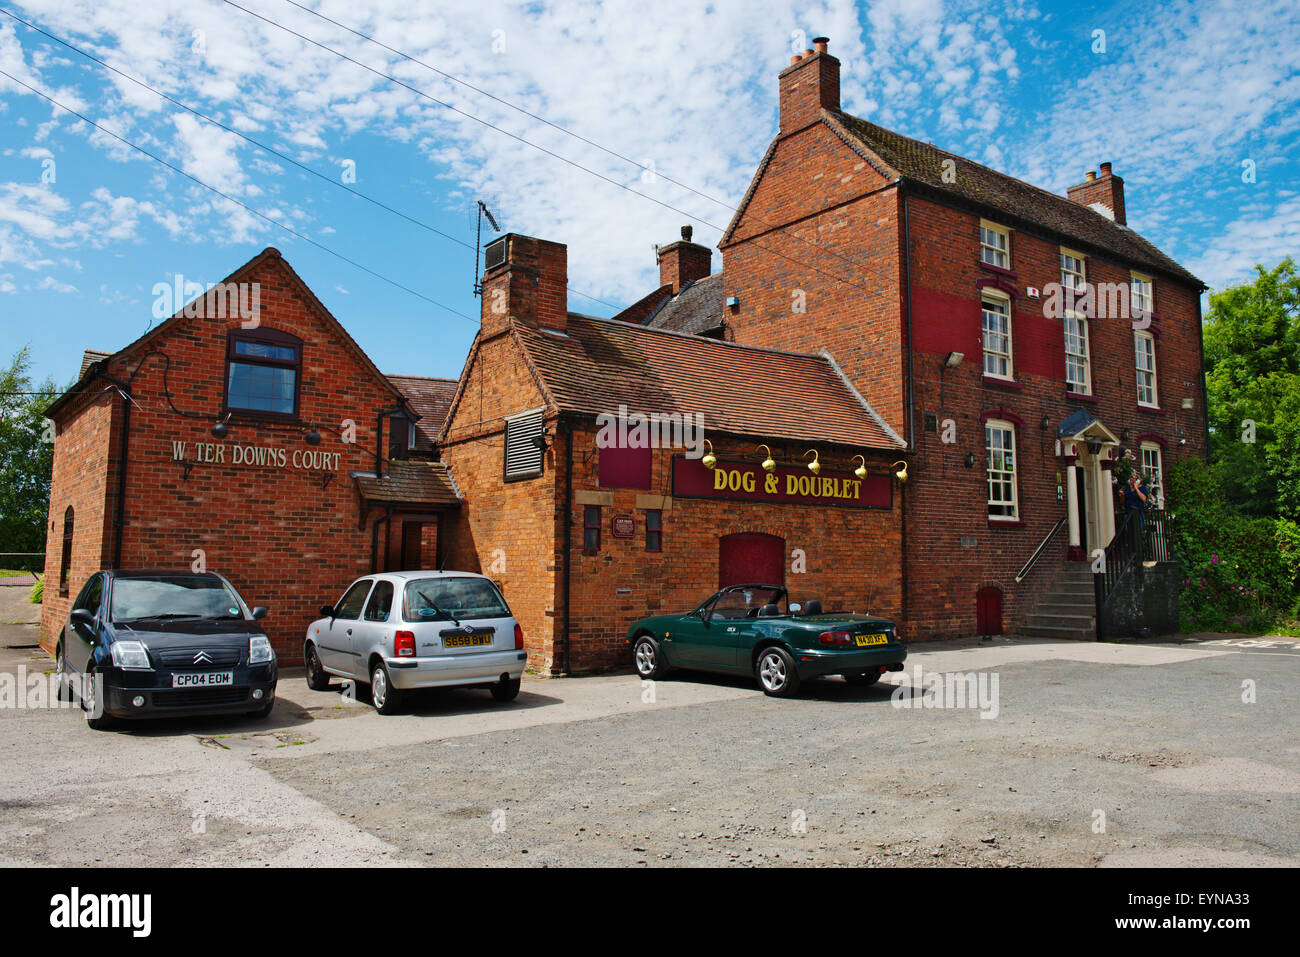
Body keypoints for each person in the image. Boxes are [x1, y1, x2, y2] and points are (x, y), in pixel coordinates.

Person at [1123, 471, 1149, 558]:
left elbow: (1144, 499)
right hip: (1128, 512)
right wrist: (1122, 495)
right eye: (1131, 479)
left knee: (1137, 533)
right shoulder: (1127, 488)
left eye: (1133, 479)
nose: (1132, 481)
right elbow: (1124, 500)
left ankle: (1139, 554)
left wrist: (1136, 488)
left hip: (1138, 513)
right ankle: (1131, 554)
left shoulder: (1142, 488)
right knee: (1129, 532)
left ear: (1137, 481)